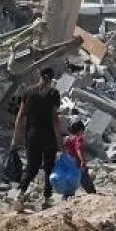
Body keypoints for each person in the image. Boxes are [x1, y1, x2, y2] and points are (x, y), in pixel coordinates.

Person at [12, 66, 63, 209]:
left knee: (31, 166)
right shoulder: (53, 93)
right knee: (49, 167)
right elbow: (55, 119)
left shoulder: (28, 91)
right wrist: (59, 140)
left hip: (32, 135)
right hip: (48, 136)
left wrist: (15, 138)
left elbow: (20, 116)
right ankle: (46, 199)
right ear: (51, 79)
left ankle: (20, 194)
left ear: (40, 76)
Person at [62, 120, 98, 195]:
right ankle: (92, 193)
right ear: (80, 130)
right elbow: (78, 149)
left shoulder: (68, 139)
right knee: (85, 180)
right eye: (82, 131)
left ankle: (66, 196)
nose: (83, 133)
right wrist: (82, 160)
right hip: (77, 163)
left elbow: (65, 150)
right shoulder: (79, 139)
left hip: (69, 163)